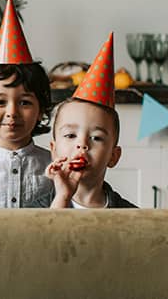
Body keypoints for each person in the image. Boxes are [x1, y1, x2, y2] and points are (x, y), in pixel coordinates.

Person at [0, 0, 54, 208]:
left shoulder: (53, 164)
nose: (12, 112)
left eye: (24, 103)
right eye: (0, 102)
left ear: (41, 110)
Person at [40, 33, 136, 209]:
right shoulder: (35, 208)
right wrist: (63, 197)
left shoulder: (130, 215)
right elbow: (47, 228)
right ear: (53, 150)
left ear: (113, 156)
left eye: (96, 138)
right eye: (70, 135)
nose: (82, 144)